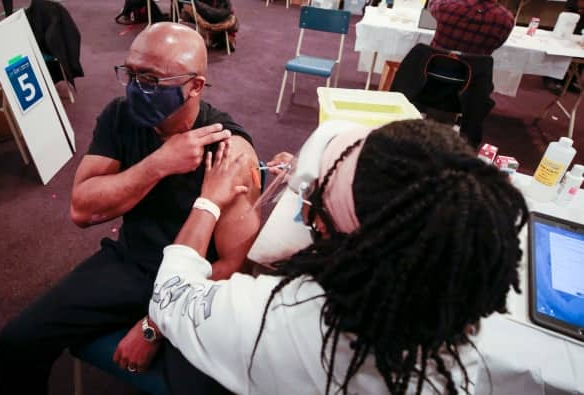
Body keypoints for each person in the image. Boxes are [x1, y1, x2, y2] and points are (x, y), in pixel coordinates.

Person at [148, 119, 529, 394]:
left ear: (328, 228)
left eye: (313, 205)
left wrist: (209, 202)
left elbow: (172, 292)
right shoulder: (460, 286)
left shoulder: (277, 317)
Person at [0, 23, 260, 394]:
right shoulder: (121, 116)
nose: (137, 88)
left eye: (151, 80)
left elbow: (236, 265)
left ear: (195, 86)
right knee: (17, 343)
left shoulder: (229, 150)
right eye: (131, 73)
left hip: (200, 286)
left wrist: (154, 324)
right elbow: (82, 209)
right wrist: (160, 163)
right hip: (134, 265)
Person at [429, 0, 514, 55]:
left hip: (431, 70)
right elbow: (497, 45)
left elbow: (432, 3)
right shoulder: (507, 19)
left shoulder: (445, 5)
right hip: (473, 78)